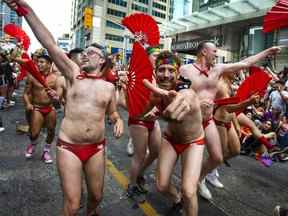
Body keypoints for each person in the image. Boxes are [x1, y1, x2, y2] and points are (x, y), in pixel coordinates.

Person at [4, 1, 124, 215]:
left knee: (97, 197)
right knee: (71, 204)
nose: (86, 54)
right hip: (69, 147)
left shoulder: (108, 87)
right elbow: (49, 42)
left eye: (92, 52)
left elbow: (113, 112)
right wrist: (25, 10)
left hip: (97, 148)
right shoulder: (73, 73)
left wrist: (119, 120)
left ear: (103, 60)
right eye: (84, 52)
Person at [179, 40, 281, 199]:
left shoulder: (218, 69)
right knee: (187, 160)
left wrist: (267, 51)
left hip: (209, 121)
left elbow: (245, 63)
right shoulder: (185, 70)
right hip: (191, 121)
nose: (216, 54)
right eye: (214, 51)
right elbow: (176, 95)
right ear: (204, 52)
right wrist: (195, 103)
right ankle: (185, 190)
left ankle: (200, 178)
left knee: (220, 156)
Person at [145, 51, 205, 216]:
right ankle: (176, 199)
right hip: (170, 139)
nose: (166, 75)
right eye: (161, 70)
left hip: (193, 143)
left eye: (171, 70)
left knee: (189, 191)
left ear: (178, 73)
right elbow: (137, 113)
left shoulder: (187, 93)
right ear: (155, 72)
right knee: (161, 186)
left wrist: (172, 111)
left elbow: (184, 100)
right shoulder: (157, 93)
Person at [23, 52, 58, 164]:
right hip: (37, 108)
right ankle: (33, 144)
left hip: (50, 108)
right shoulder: (32, 76)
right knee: (34, 134)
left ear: (49, 64)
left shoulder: (55, 78)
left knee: (51, 131)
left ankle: (46, 152)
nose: (39, 64)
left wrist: (56, 97)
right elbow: (26, 93)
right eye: (38, 62)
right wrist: (28, 104)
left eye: (42, 62)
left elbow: (58, 97)